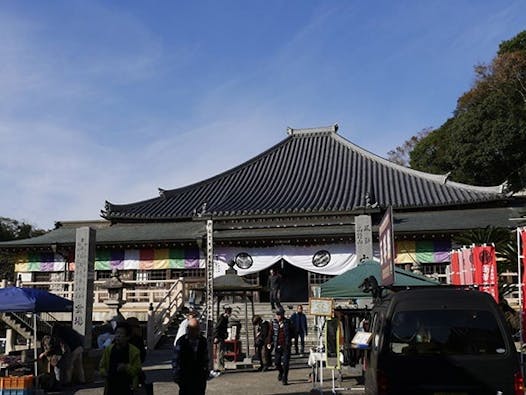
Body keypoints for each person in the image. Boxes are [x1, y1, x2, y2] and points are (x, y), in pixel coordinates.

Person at [99, 322, 142, 395]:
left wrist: (126, 367)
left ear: (127, 337)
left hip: (128, 386)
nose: (118, 336)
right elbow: (102, 366)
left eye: (121, 334)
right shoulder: (109, 349)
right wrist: (104, 373)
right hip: (111, 385)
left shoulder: (134, 351)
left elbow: (137, 370)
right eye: (117, 333)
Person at [172, 318, 209, 395]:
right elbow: (176, 359)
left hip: (199, 376)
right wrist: (176, 374)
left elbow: (206, 358)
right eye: (192, 329)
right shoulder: (181, 341)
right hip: (185, 375)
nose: (194, 331)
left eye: (196, 329)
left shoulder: (203, 341)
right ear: (188, 329)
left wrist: (206, 371)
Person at [268, 308, 293, 385]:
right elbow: (271, 333)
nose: (278, 316)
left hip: (286, 345)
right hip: (277, 344)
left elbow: (292, 332)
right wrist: (269, 342)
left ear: (282, 315)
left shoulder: (288, 322)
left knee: (286, 363)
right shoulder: (274, 323)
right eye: (277, 315)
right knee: (277, 362)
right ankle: (281, 372)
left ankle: (285, 378)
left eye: (279, 315)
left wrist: (290, 341)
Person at [212, 306, 231, 373]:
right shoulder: (222, 318)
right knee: (220, 351)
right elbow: (217, 327)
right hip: (219, 337)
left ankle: (221, 365)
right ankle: (220, 366)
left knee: (221, 351)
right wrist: (216, 336)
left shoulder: (225, 318)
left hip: (222, 336)